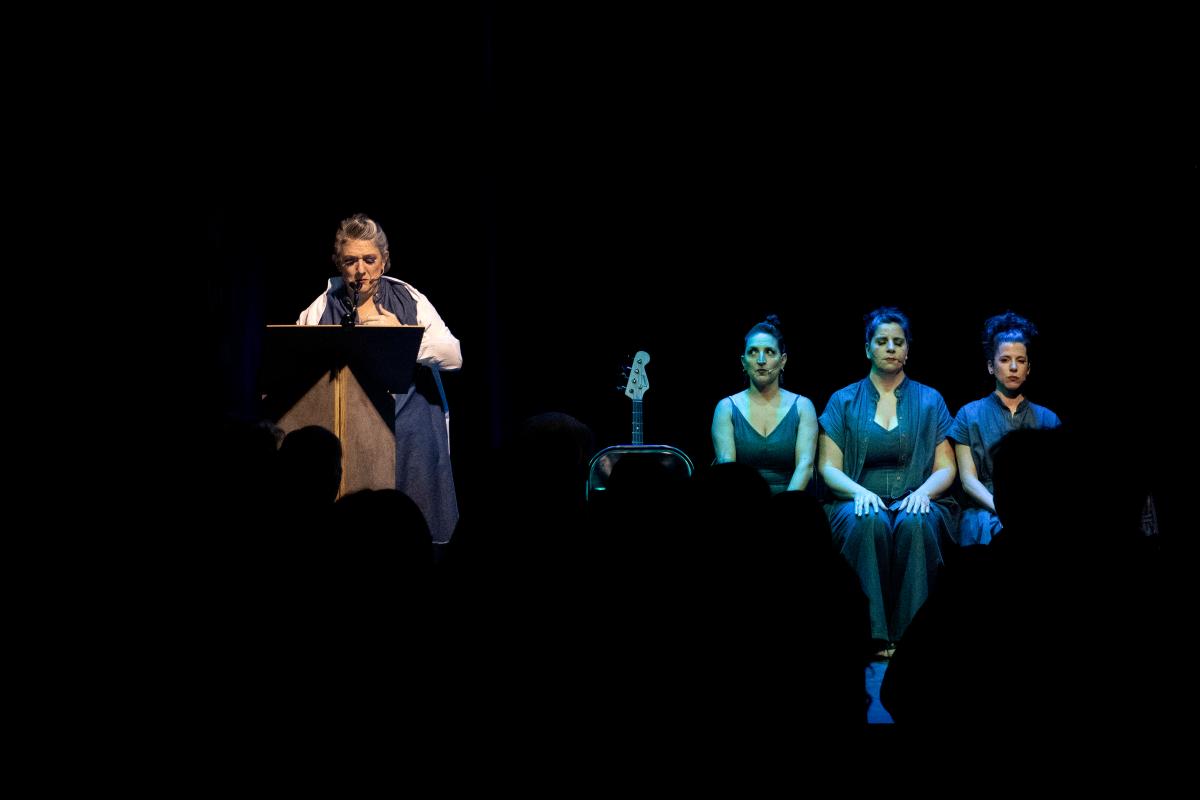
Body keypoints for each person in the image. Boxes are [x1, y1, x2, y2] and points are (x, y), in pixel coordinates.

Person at [297, 213, 462, 543]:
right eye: (351, 261)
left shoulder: (409, 299)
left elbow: (453, 356)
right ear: (339, 264)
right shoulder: (320, 309)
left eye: (369, 260)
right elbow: (297, 366)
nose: (360, 270)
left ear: (384, 261)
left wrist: (403, 336)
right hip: (351, 431)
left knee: (412, 529)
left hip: (409, 429)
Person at [817, 307, 956, 655]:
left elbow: (946, 467)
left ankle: (912, 639)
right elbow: (828, 467)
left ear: (908, 349)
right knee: (868, 520)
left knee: (916, 522)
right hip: (856, 499)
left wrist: (923, 493)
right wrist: (859, 492)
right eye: (882, 342)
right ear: (868, 349)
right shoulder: (843, 400)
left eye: (898, 342)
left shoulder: (930, 399)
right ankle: (872, 635)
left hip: (916, 497)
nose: (891, 348)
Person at [950, 311, 1061, 546]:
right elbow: (968, 481)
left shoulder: (1048, 419)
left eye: (1020, 361)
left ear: (1028, 368)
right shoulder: (968, 415)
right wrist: (1003, 510)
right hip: (983, 509)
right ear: (991, 366)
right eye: (1004, 360)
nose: (1013, 367)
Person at [711, 315, 818, 494]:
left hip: (791, 501)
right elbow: (728, 471)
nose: (761, 360)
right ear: (743, 361)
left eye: (769, 352)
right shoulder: (726, 408)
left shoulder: (803, 407)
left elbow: (805, 466)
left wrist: (782, 506)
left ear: (782, 360)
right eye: (753, 352)